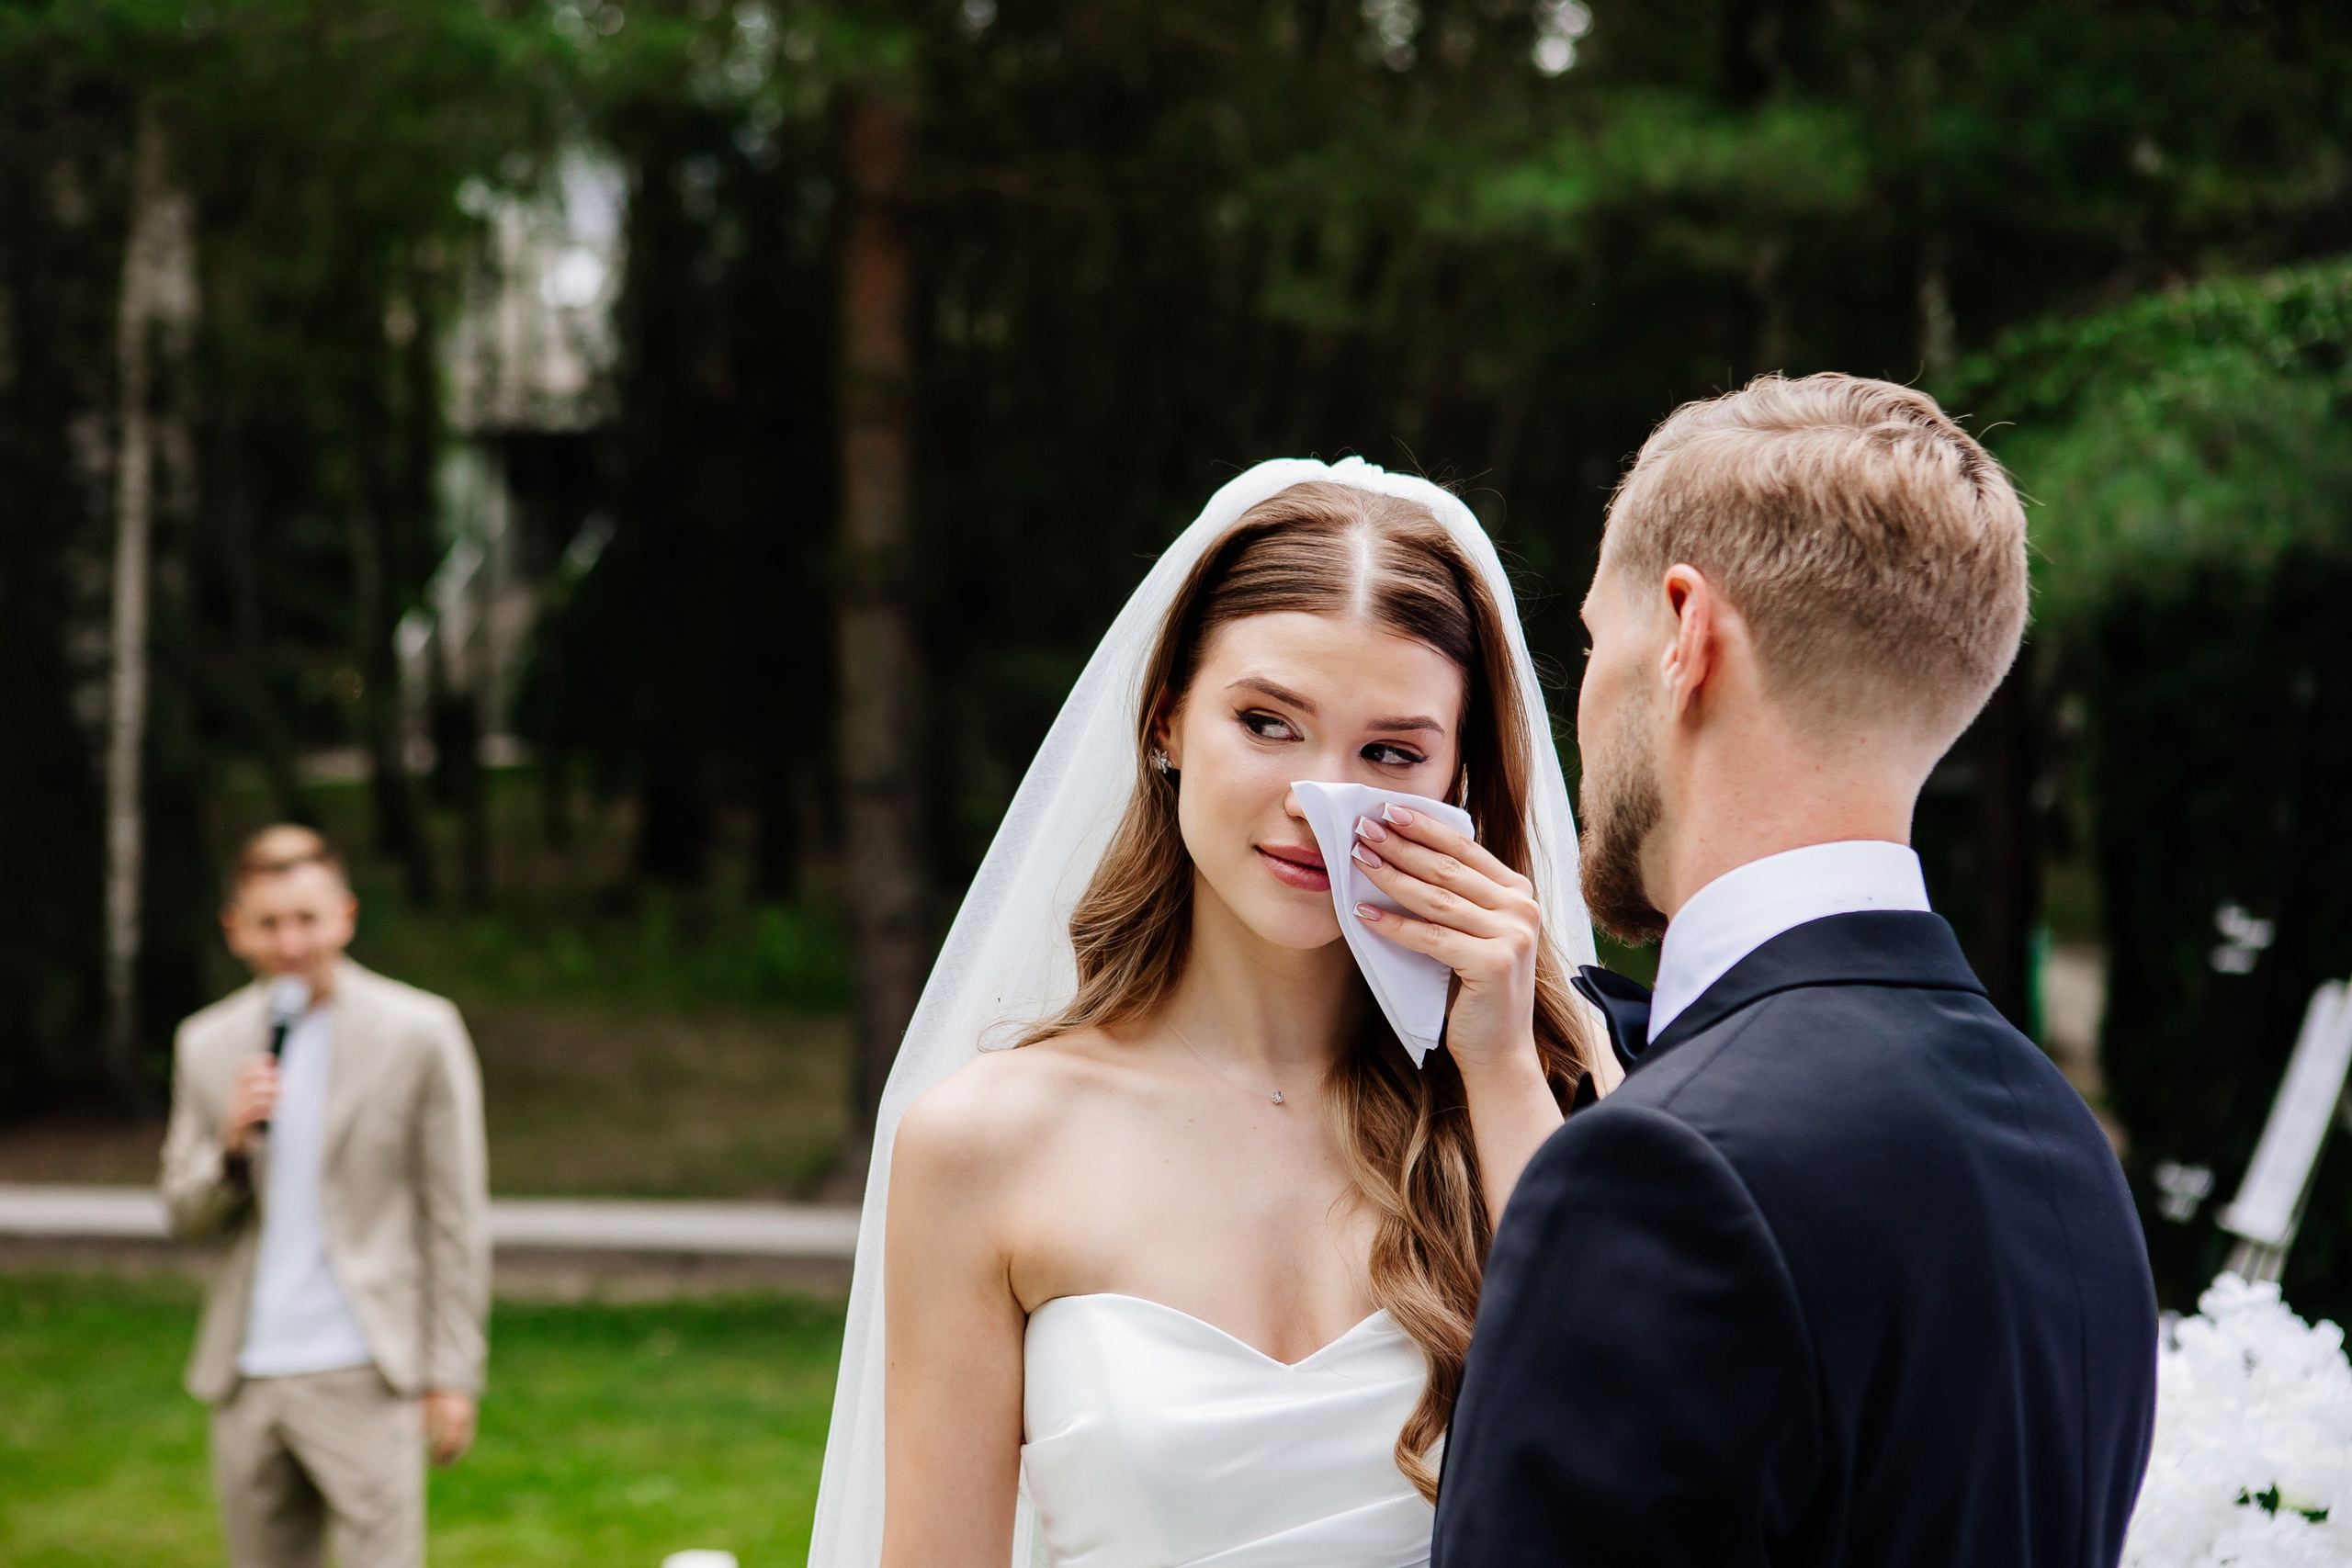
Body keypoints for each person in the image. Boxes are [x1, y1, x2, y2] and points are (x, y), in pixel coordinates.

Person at [807, 459, 1613, 1568]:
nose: (1311, 798)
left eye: (1388, 753)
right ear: (1168, 720)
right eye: (1266, 723)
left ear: (1457, 784)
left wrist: (1504, 1072)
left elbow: (1624, 1478)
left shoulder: (1554, 1106)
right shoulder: (982, 1143)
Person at [1432, 375, 2158, 1566]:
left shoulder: (1655, 1167)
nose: (1581, 705)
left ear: (1685, 634)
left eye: (1593, 644)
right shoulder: (2068, 1149)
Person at [160, 825, 490, 1568]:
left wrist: (453, 1374)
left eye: (307, 918)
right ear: (235, 928)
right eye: (269, 922)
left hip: (365, 1369)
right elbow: (183, 1216)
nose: (292, 941)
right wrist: (230, 1148)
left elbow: (455, 1217)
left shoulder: (419, 1033)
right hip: (246, 1375)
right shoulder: (207, 1044)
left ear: (345, 914)